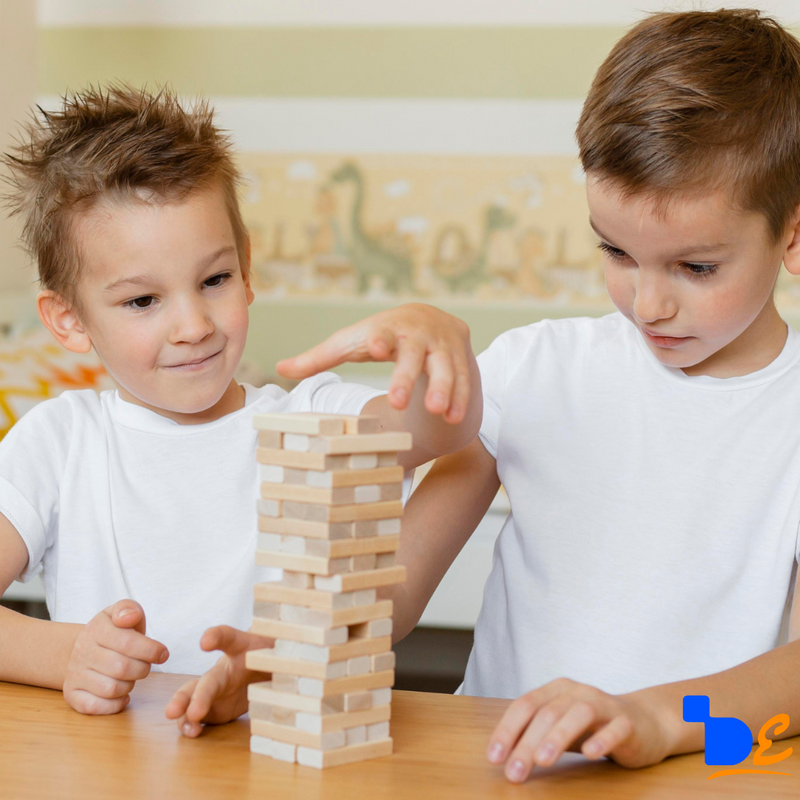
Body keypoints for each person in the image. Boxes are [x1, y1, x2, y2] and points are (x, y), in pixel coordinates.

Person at [0, 85, 481, 719]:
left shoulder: (308, 419)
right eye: (143, 301)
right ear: (68, 319)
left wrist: (434, 342)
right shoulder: (59, 442)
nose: (194, 324)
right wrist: (64, 656)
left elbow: (442, 430)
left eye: (214, 280)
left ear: (246, 269)